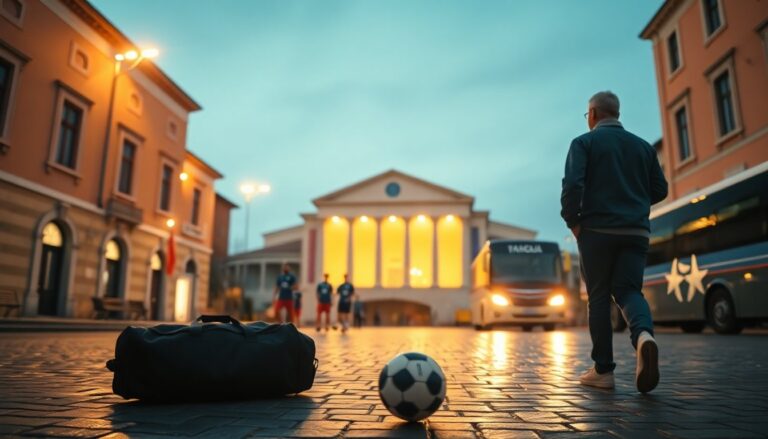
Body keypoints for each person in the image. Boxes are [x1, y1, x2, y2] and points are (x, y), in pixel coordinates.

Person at [560, 91, 667, 393]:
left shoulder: (584, 143)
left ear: (592, 114)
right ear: (617, 114)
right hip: (635, 232)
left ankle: (603, 370)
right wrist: (633, 199)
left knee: (598, 296)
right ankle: (644, 336)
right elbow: (660, 189)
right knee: (629, 291)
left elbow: (572, 185)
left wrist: (574, 222)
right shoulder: (644, 148)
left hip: (597, 231)